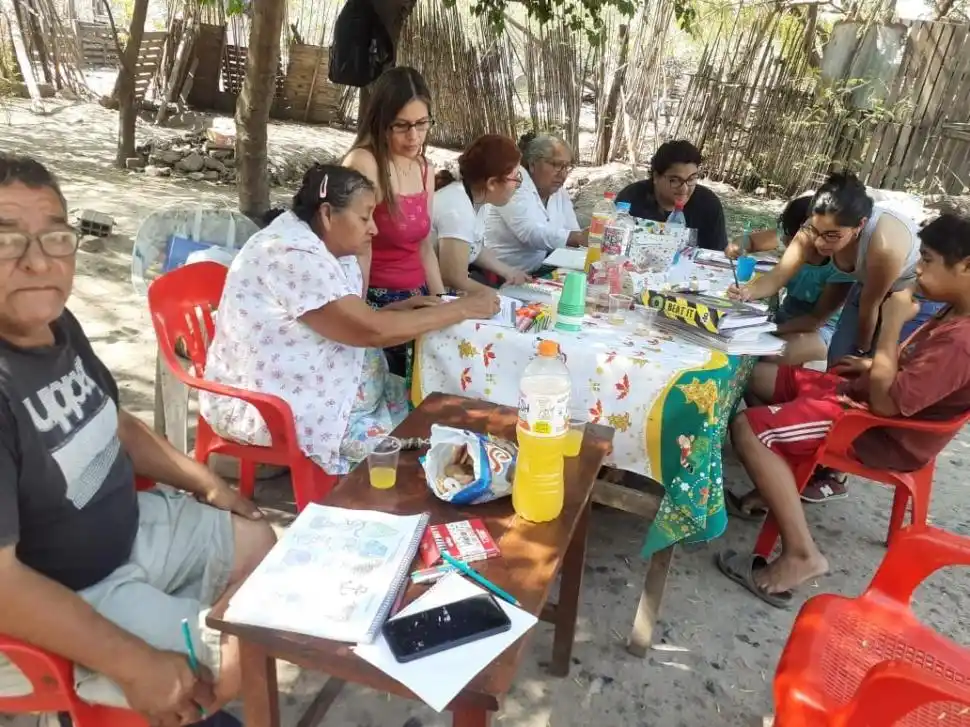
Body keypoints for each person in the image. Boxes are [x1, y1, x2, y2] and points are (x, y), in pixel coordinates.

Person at [0, 154, 276, 727]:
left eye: (55, 236)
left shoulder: (58, 324)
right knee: (238, 660)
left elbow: (116, 423)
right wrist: (132, 662)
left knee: (261, 543)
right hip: (73, 588)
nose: (37, 262)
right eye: (7, 241)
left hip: (133, 525)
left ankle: (190, 667)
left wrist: (205, 482)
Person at [718, 213, 970, 608]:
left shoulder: (963, 341)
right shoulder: (954, 310)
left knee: (749, 428)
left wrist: (890, 326)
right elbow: (919, 372)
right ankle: (778, 478)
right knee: (760, 375)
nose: (918, 268)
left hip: (880, 429)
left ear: (967, 266)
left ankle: (802, 554)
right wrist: (872, 365)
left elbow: (891, 402)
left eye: (928, 260)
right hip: (872, 400)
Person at [200, 165, 499, 476]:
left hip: (331, 391)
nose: (374, 229)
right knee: (426, 448)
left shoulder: (322, 244)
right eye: (364, 217)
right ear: (328, 214)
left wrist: (399, 310)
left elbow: (340, 322)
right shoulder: (291, 254)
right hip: (279, 405)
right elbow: (370, 331)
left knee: (436, 404)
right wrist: (463, 308)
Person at [343, 66, 443, 375]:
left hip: (418, 299)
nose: (414, 136)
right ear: (381, 122)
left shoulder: (424, 167)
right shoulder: (365, 162)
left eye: (422, 124)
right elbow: (358, 246)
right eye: (401, 126)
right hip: (378, 303)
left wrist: (441, 300)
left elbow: (424, 246)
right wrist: (359, 318)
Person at [729, 194, 855, 366]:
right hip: (785, 318)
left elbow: (815, 320)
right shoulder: (792, 240)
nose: (786, 242)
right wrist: (738, 248)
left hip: (818, 332)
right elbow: (752, 244)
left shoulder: (840, 265)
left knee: (767, 357)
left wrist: (772, 329)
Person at [432, 134, 530, 292]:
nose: (517, 185)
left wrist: (509, 272)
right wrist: (499, 297)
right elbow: (453, 277)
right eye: (515, 178)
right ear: (492, 183)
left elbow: (473, 247)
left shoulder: (478, 199)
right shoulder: (457, 207)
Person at [484, 132, 585, 276]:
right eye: (556, 165)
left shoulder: (559, 192)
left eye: (567, 167)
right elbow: (529, 232)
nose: (562, 174)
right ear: (532, 164)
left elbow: (573, 230)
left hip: (539, 270)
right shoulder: (515, 182)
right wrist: (576, 238)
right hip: (501, 276)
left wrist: (585, 241)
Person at [615, 140, 728, 251]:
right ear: (656, 177)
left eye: (691, 179)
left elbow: (718, 256)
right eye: (675, 180)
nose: (684, 188)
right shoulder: (630, 199)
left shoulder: (709, 205)